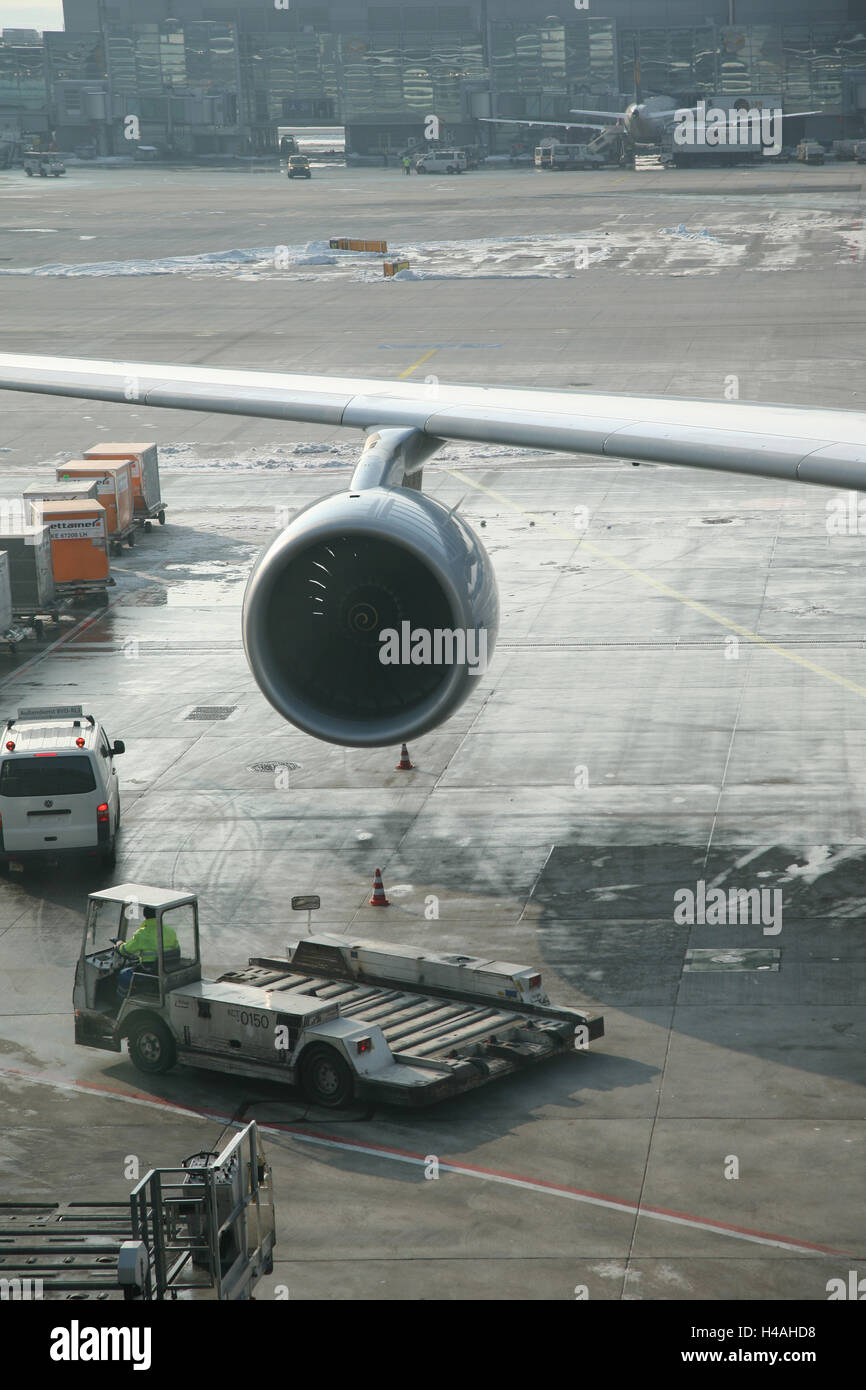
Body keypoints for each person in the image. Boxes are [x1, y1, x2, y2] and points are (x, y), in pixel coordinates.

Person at [113, 907, 179, 1000]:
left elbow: (125, 951)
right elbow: (176, 948)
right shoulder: (170, 931)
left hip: (150, 971)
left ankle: (120, 1001)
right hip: (168, 969)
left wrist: (118, 944)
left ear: (144, 915)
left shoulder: (142, 934)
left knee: (124, 974)